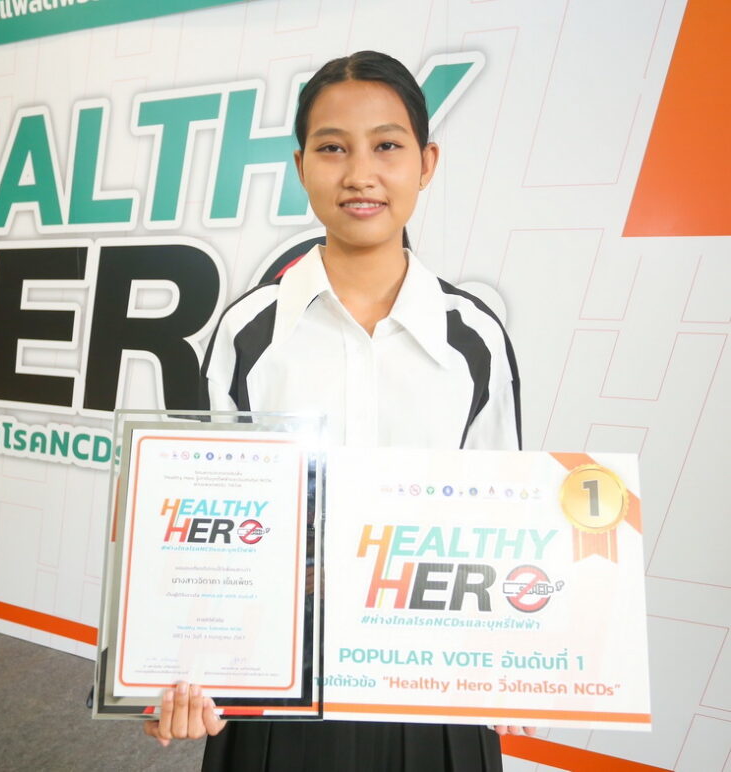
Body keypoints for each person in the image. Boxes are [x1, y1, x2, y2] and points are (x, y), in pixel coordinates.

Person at [144, 50, 533, 771]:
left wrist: (513, 656)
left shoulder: (475, 338)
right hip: (281, 681)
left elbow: (503, 519)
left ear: (427, 162)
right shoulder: (248, 332)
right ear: (300, 167)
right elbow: (210, 525)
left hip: (433, 687)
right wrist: (181, 664)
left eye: (387, 146)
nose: (359, 174)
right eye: (332, 149)